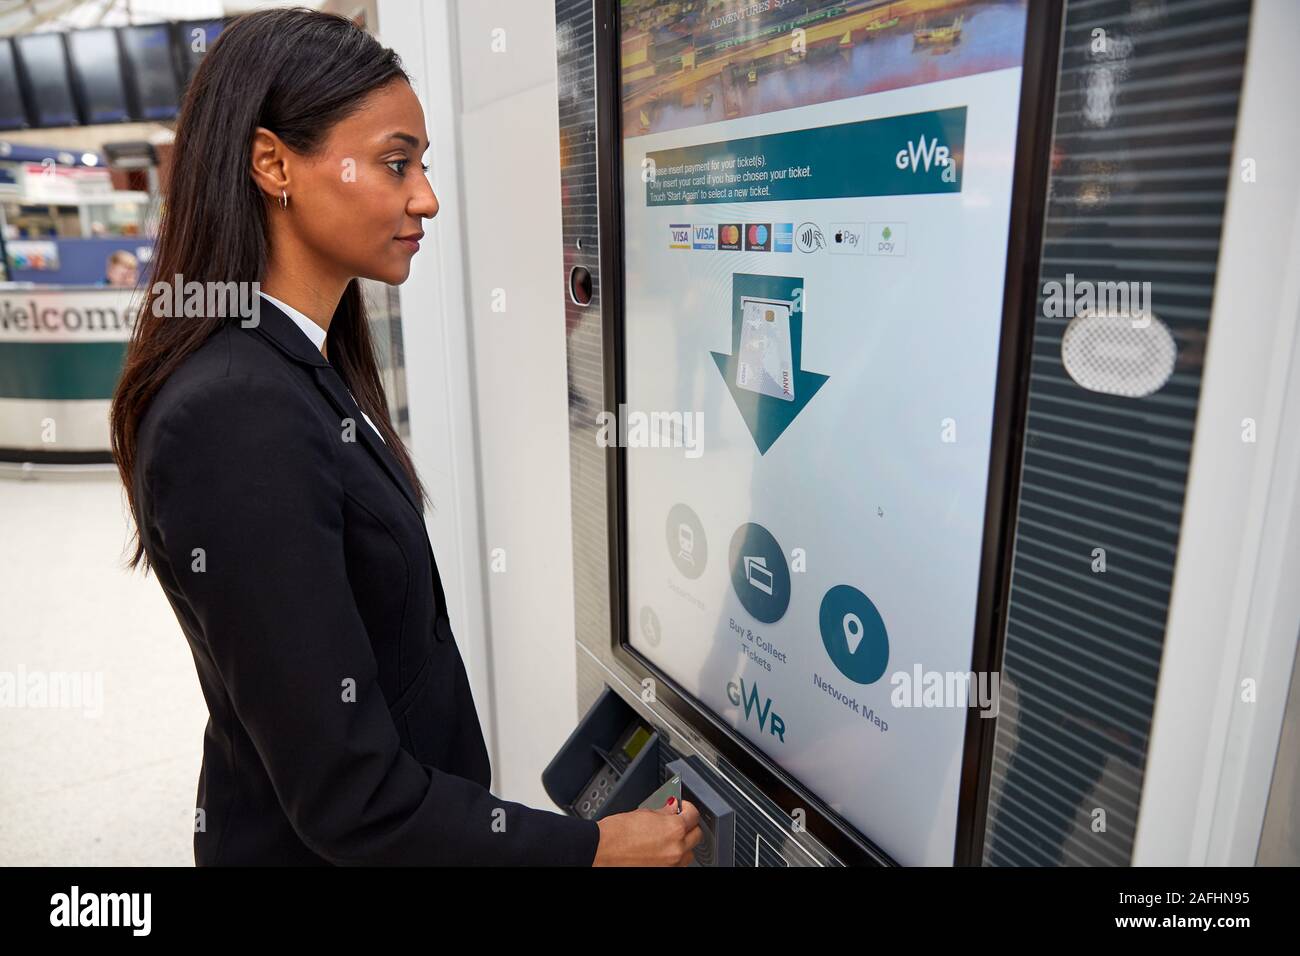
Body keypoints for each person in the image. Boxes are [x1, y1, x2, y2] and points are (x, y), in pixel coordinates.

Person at [109, 7, 700, 866]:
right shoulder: (235, 414)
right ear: (273, 163)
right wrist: (592, 848)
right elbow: (350, 799)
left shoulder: (295, 366)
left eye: (422, 164)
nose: (425, 196)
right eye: (396, 164)